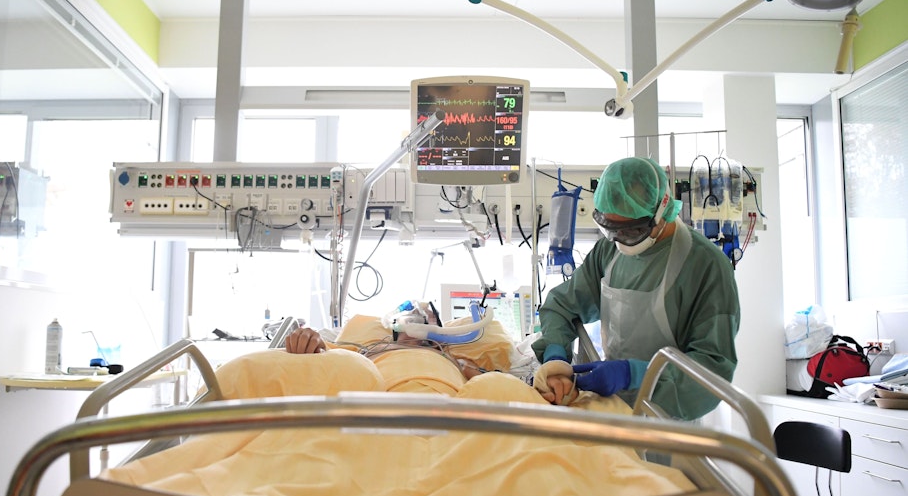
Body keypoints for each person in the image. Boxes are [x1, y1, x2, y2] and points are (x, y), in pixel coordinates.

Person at [531, 157, 740, 420]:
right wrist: (555, 358)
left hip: (670, 419)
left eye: (631, 231)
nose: (620, 241)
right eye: (611, 230)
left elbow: (712, 373)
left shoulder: (705, 266)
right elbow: (561, 306)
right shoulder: (610, 251)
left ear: (661, 209)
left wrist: (636, 375)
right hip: (614, 411)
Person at [284, 301, 489, 381]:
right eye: (412, 311)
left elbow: (482, 383)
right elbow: (328, 358)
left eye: (426, 313)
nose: (416, 313)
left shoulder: (445, 355)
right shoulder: (370, 349)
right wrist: (308, 339)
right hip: (372, 399)